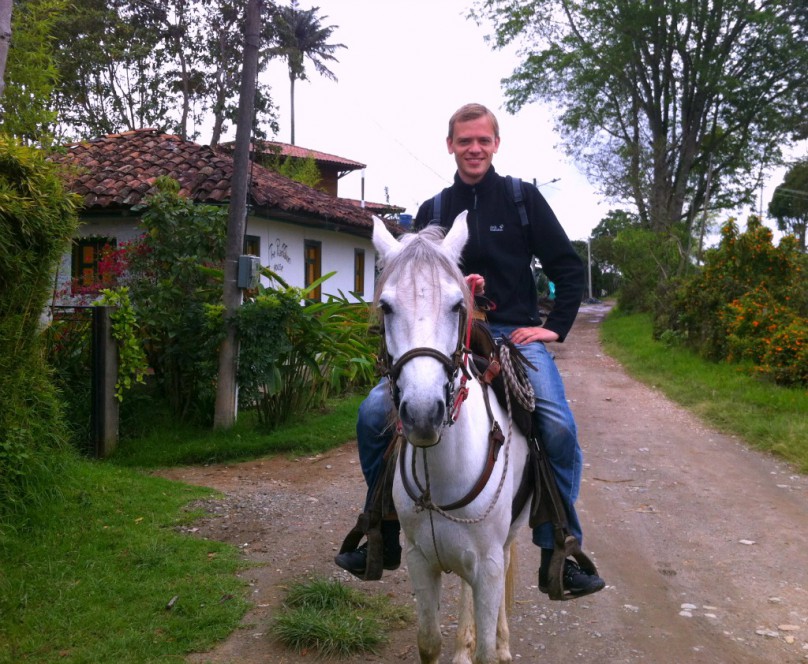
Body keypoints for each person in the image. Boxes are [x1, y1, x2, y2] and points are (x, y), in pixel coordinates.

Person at [335, 102, 605, 599]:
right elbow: (412, 282)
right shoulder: (433, 211)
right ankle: (383, 530)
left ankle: (560, 549)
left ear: (495, 144)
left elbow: (567, 267)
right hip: (442, 337)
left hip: (511, 332)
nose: (474, 149)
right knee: (373, 415)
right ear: (451, 145)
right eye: (465, 141)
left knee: (558, 426)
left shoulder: (523, 200)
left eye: (483, 140)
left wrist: (555, 328)